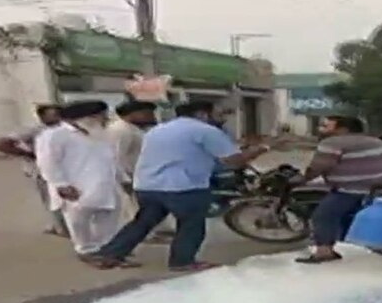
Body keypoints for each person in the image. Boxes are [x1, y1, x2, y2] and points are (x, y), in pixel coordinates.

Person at [88, 100, 273, 272]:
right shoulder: (205, 130)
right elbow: (233, 161)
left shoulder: (158, 129)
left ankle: (109, 254)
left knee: (142, 222)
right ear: (202, 114)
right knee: (191, 224)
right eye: (217, 112)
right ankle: (182, 261)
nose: (221, 115)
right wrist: (263, 148)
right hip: (183, 186)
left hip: (148, 185)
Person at [295, 115, 382, 264]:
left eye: (326, 126)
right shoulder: (375, 141)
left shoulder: (332, 142)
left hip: (356, 187)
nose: (321, 129)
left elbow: (319, 166)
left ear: (343, 129)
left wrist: (301, 179)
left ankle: (324, 252)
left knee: (323, 215)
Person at [35, 100, 125, 262]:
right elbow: (47, 162)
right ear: (86, 118)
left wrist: (123, 178)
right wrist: (60, 184)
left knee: (108, 219)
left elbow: (111, 159)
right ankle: (86, 251)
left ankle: (108, 250)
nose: (105, 120)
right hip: (75, 187)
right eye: (101, 116)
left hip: (105, 185)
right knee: (79, 222)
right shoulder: (55, 135)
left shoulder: (101, 134)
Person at [0, 104, 69, 237]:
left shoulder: (66, 129)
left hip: (65, 169)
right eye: (53, 114)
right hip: (41, 171)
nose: (57, 118)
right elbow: (0, 143)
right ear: (42, 116)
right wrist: (29, 154)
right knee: (52, 199)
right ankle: (61, 228)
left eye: (58, 114)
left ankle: (62, 225)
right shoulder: (35, 131)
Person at [106, 100, 157, 224]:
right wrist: (125, 179)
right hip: (126, 177)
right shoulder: (120, 130)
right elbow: (115, 157)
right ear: (133, 114)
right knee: (130, 210)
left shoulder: (134, 129)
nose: (152, 117)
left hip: (139, 176)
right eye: (147, 113)